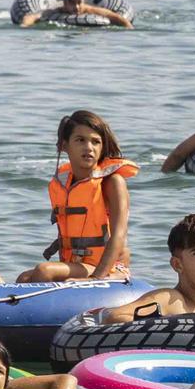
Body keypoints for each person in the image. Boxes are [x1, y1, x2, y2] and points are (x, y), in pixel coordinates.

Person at [19, 110, 135, 283]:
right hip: (78, 264)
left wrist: (95, 279)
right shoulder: (63, 184)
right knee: (24, 278)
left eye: (96, 142)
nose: (89, 147)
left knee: (44, 270)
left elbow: (119, 235)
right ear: (64, 146)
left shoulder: (113, 182)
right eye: (80, 140)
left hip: (109, 267)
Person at [15, 0, 132, 29]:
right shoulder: (56, 11)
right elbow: (34, 16)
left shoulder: (91, 10)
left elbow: (114, 16)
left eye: (79, 2)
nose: (76, 7)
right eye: (72, 2)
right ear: (65, 3)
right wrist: (24, 26)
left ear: (83, 2)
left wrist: (129, 28)